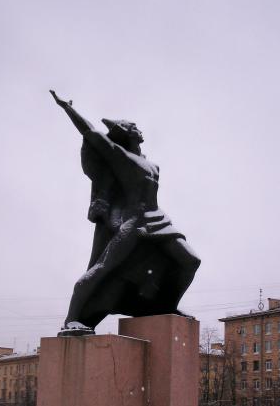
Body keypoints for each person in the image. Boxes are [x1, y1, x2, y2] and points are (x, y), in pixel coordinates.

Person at [50, 91, 201, 333]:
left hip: (158, 219)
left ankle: (166, 305)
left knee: (190, 261)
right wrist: (68, 109)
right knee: (103, 267)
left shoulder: (153, 165)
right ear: (124, 130)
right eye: (132, 126)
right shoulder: (120, 156)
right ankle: (71, 319)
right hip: (133, 221)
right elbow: (91, 133)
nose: (138, 129)